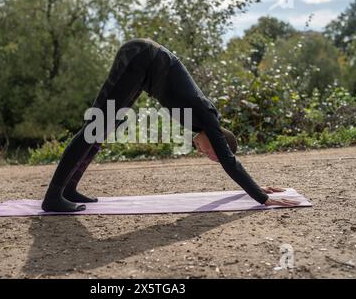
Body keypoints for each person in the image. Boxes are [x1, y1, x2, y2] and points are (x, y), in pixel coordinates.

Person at [41, 38, 300, 212]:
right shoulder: (208, 116)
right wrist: (262, 197)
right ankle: (53, 197)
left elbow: (227, 158)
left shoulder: (199, 122)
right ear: (219, 140)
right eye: (211, 154)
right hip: (143, 57)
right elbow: (229, 161)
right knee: (95, 127)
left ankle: (69, 189)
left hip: (144, 69)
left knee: (103, 127)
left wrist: (255, 187)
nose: (204, 154)